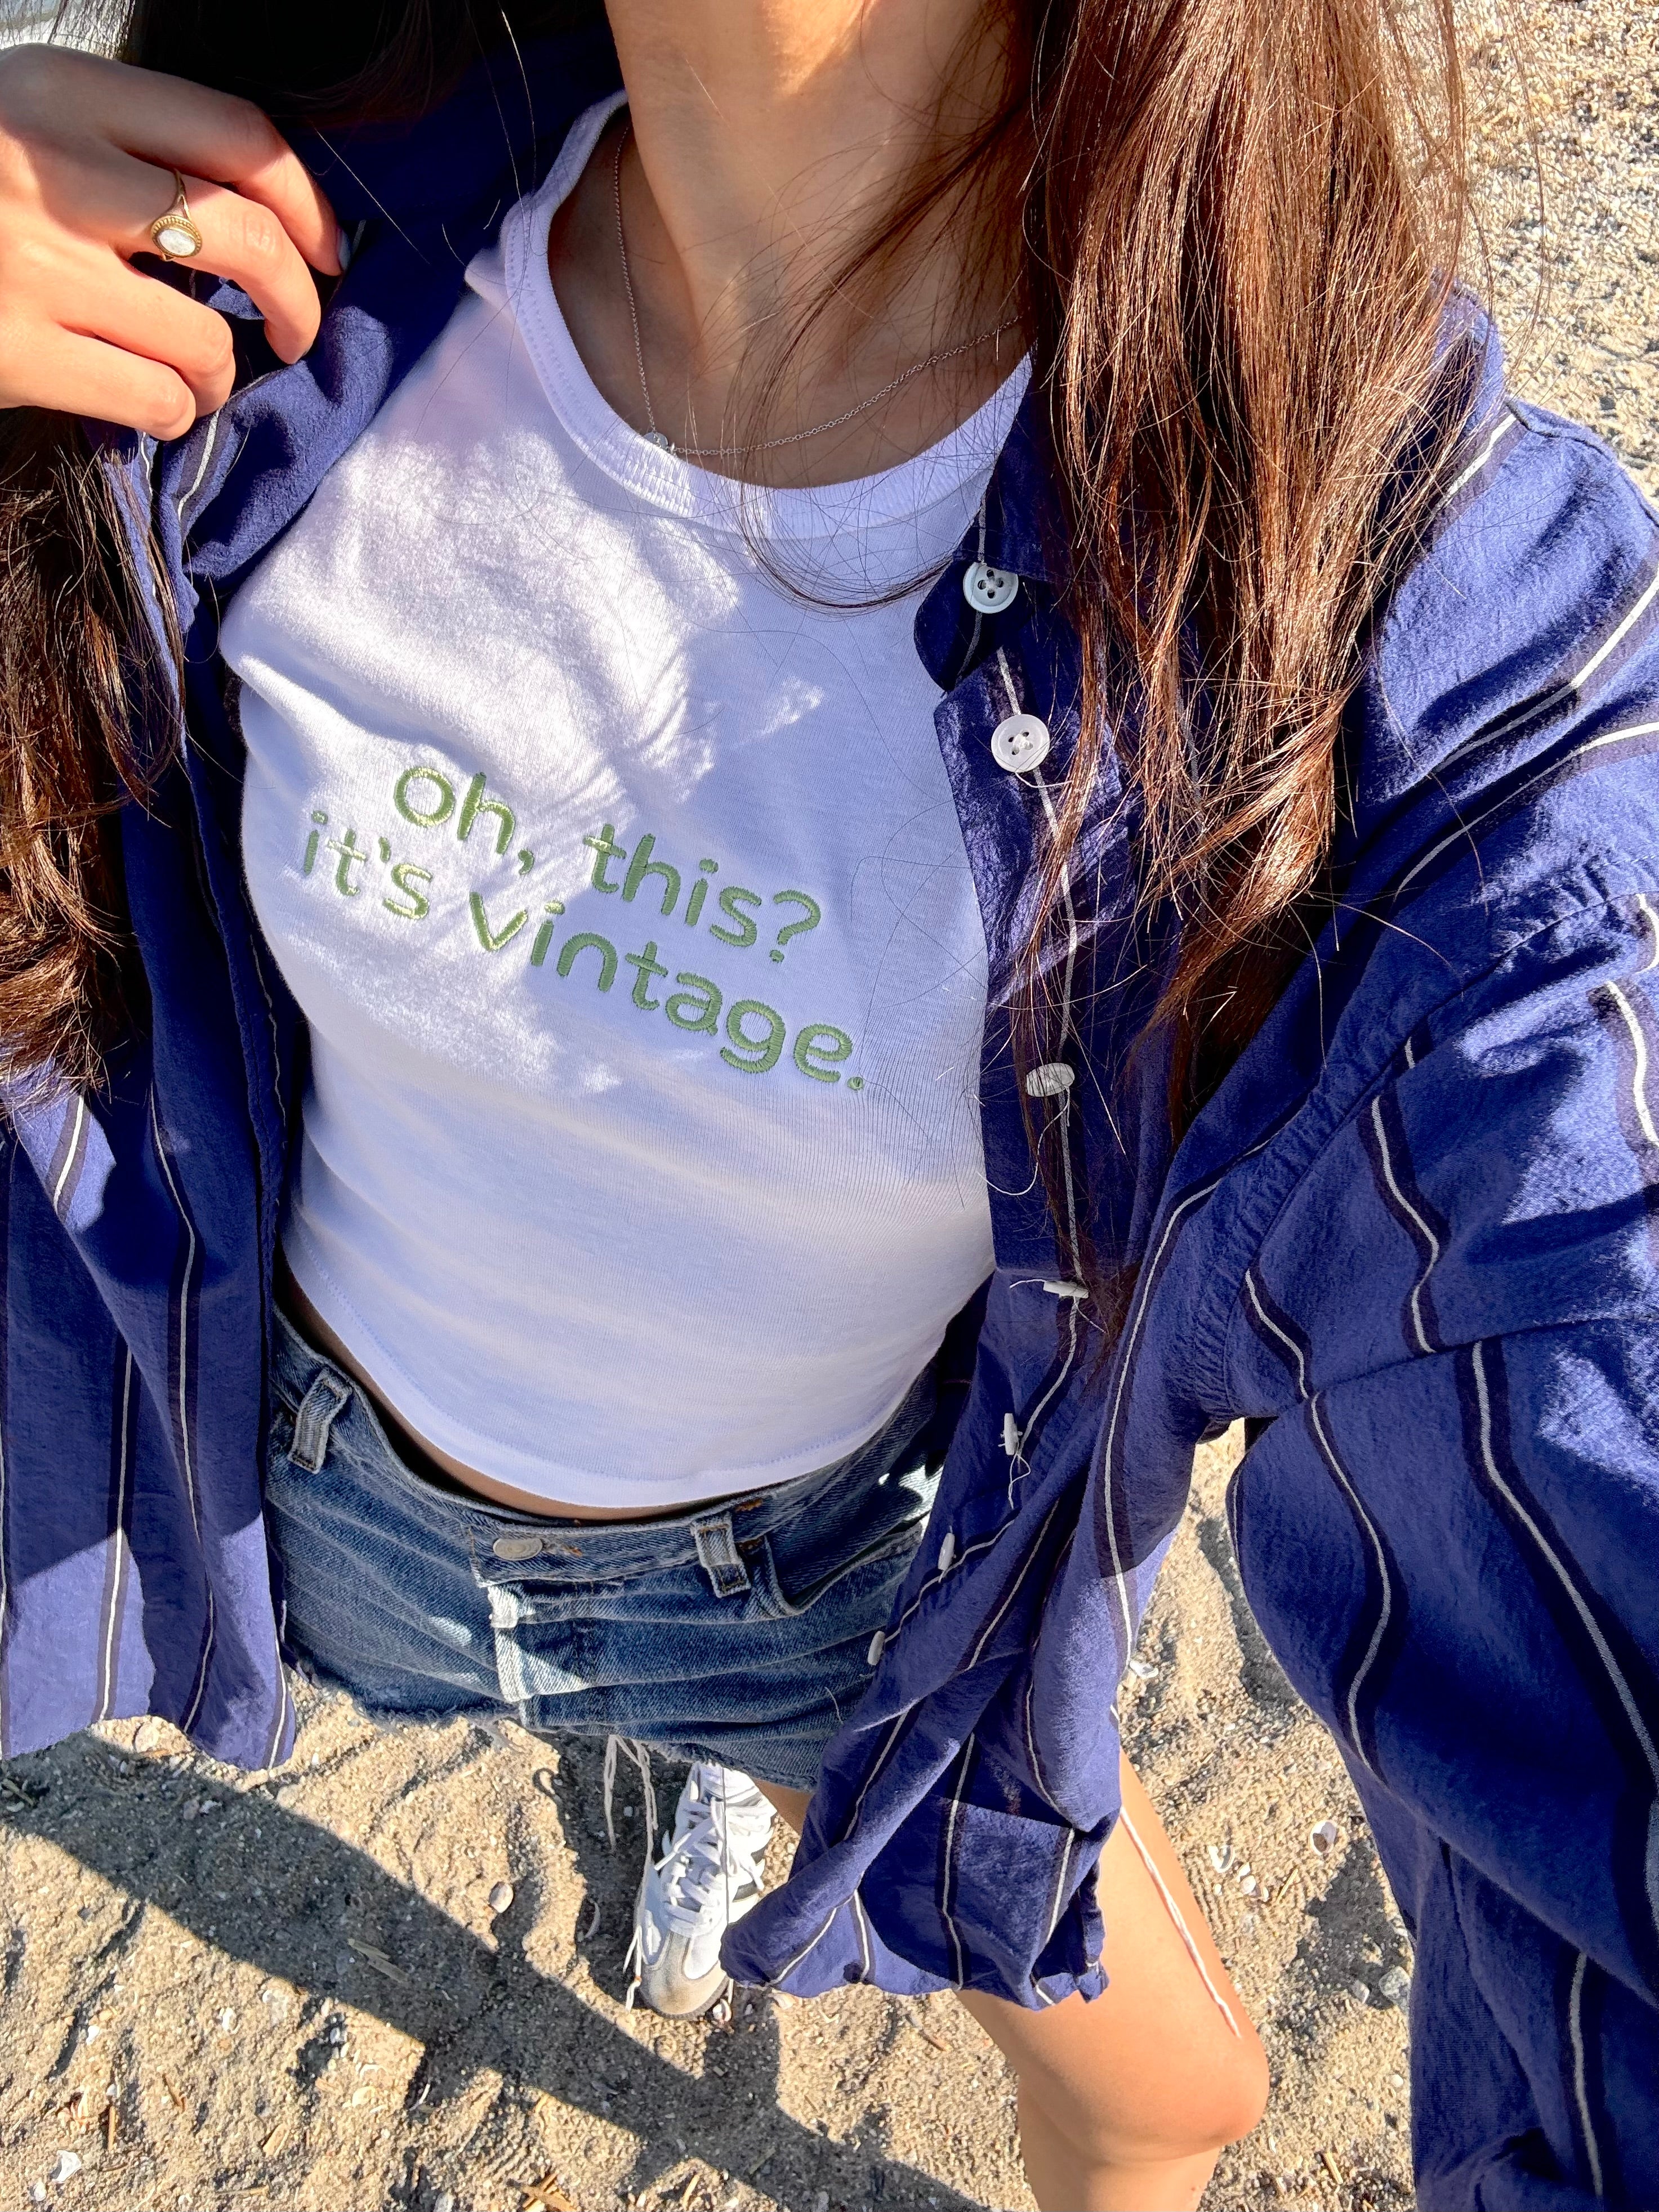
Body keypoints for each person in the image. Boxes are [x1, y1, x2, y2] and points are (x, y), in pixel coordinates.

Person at [0, 1, 1654, 2205]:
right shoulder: (219, 296)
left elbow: (1580, 1286)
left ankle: (740, 1789)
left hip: (811, 1581)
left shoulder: (1356, 597)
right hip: (288, 1486)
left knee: (1170, 2099)